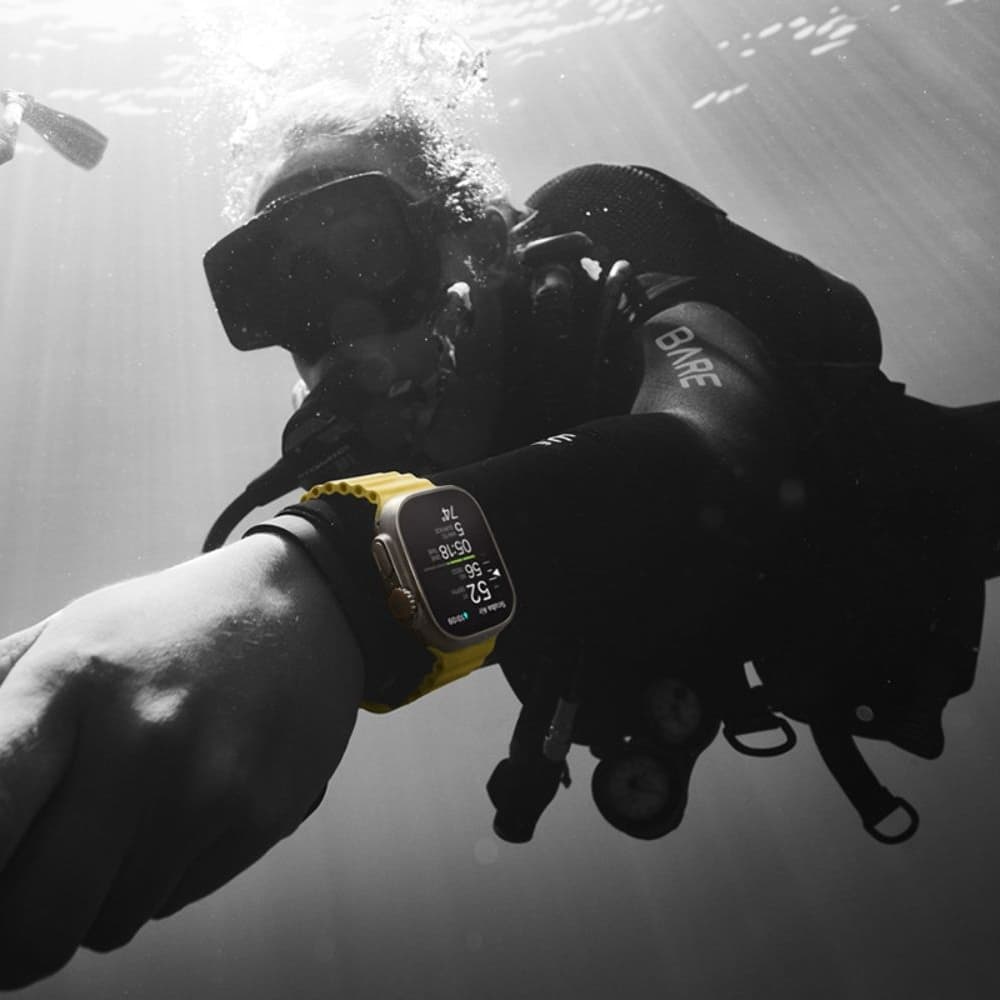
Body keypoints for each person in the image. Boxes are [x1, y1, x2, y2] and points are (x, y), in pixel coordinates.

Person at [0, 90, 996, 989]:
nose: (344, 325)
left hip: (916, 503)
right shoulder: (362, 453)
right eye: (285, 287)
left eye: (366, 248)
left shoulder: (618, 276)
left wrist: (330, 582)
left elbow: (715, 453)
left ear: (475, 239)